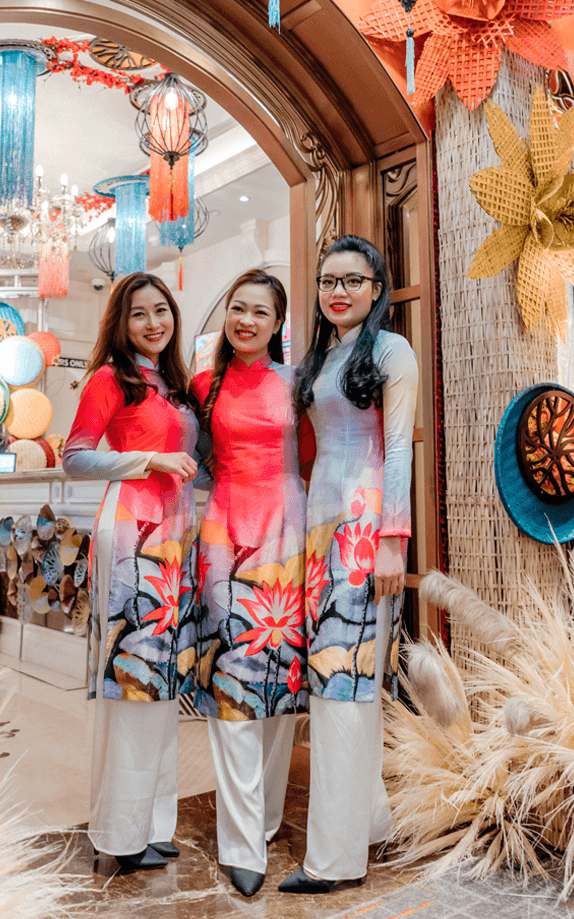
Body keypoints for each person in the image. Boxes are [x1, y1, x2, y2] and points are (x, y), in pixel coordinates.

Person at [280, 236, 418, 894]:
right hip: (318, 527)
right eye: (328, 281)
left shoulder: (391, 352)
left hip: (365, 530)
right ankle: (368, 822)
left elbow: (397, 452)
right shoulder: (320, 356)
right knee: (340, 684)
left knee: (342, 685)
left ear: (375, 286)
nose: (338, 291)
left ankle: (332, 860)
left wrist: (394, 538)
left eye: (353, 281)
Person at [61, 272, 198, 872]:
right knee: (136, 682)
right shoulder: (109, 379)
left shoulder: (175, 383)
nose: (153, 323)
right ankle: (121, 829)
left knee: (161, 687)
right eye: (139, 314)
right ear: (121, 323)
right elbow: (76, 456)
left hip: (176, 538)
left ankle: (153, 821)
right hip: (133, 538)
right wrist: (150, 458)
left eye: (161, 310)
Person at [188, 270, 305, 897]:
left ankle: (263, 818)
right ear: (226, 313)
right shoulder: (204, 384)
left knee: (282, 685)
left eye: (262, 312)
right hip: (225, 536)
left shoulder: (296, 384)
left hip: (287, 533)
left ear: (278, 324)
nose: (248, 320)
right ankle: (239, 840)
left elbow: (312, 456)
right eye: (238, 307)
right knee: (232, 687)